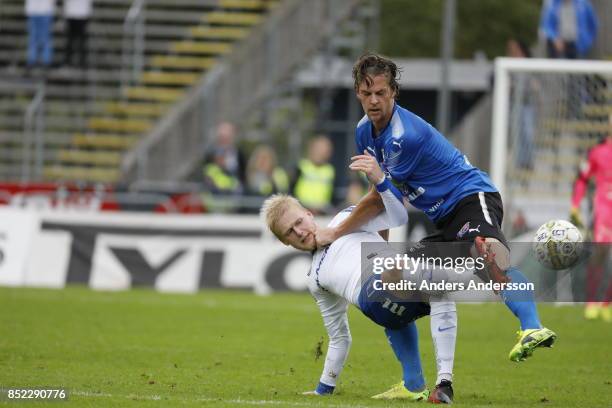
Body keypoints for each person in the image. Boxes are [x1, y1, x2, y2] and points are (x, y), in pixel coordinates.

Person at [316, 53, 557, 363]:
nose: (374, 100)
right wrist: (383, 246)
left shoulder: (405, 137)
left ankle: (532, 327)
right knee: (396, 278)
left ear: (394, 93)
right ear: (357, 94)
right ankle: (414, 382)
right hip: (444, 219)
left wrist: (333, 232)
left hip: (471, 197)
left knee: (488, 253)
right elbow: (382, 197)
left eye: (381, 93)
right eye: (367, 94)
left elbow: (381, 196)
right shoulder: (364, 132)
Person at [261, 190, 457, 403]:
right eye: (289, 232)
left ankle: (428, 385)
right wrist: (323, 388)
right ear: (285, 242)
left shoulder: (346, 217)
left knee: (440, 291)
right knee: (421, 270)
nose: (298, 232)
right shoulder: (315, 278)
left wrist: (380, 184)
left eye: (299, 222)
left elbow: (388, 211)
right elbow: (339, 338)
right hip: (373, 295)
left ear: (309, 214)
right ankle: (475, 265)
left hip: (395, 298)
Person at [570, 117, 612, 322]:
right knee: (600, 253)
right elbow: (582, 178)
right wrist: (575, 205)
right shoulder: (597, 152)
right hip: (604, 207)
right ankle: (592, 301)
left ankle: (607, 303)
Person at [292, 136, 335, 214]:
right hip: (300, 210)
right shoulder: (300, 167)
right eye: (319, 149)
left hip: (323, 212)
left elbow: (334, 196)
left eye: (325, 150)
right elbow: (290, 190)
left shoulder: (330, 170)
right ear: (311, 149)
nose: (321, 153)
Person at [25, 0, 56, 69]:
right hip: (33, 10)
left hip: (46, 10)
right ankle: (32, 60)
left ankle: (46, 61)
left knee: (45, 38)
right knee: (33, 38)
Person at [63, 0, 93, 68]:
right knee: (71, 40)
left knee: (80, 40)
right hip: (74, 14)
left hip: (80, 15)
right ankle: (70, 60)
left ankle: (81, 61)